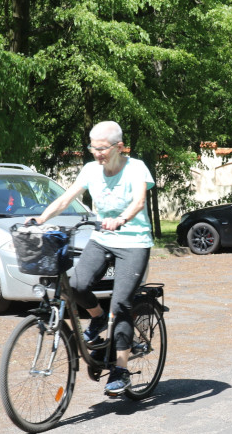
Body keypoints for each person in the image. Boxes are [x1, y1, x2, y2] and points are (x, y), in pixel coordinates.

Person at [34, 120, 155, 396]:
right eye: (93, 148)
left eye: (102, 148)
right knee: (76, 285)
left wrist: (122, 219)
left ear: (119, 147)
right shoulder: (90, 170)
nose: (96, 153)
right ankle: (97, 318)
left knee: (121, 303)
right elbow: (66, 199)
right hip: (102, 239)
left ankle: (121, 370)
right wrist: (40, 218)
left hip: (133, 242)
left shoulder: (135, 168)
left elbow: (139, 201)